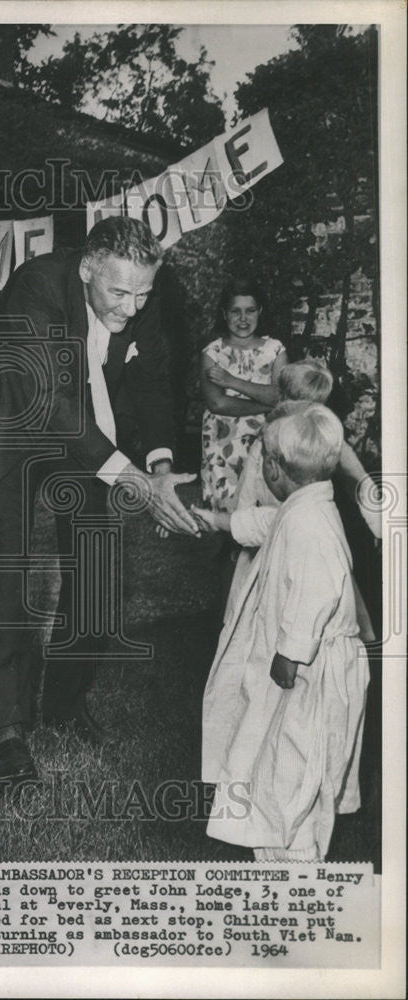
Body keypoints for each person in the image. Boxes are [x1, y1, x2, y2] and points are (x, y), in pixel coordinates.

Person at [0, 216, 200, 789]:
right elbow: (45, 398)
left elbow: (154, 381)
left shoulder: (139, 294)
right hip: (11, 418)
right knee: (12, 575)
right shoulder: (36, 285)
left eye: (143, 293)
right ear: (87, 269)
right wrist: (129, 476)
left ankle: (63, 702)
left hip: (83, 429)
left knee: (98, 568)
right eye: (118, 291)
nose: (132, 307)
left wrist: (159, 467)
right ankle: (8, 730)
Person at [197, 403, 369, 861]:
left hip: (310, 676)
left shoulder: (309, 524)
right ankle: (275, 859)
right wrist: (214, 520)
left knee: (298, 774)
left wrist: (289, 652)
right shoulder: (304, 506)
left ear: (274, 468)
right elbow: (264, 525)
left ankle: (297, 872)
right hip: (298, 675)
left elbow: (319, 590)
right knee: (273, 766)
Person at [226, 361, 381, 636]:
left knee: (307, 614)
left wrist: (383, 526)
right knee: (265, 619)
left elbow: (359, 482)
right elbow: (361, 484)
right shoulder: (270, 438)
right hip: (269, 537)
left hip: (297, 537)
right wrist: (238, 529)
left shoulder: (325, 439)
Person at [200, 276, 287, 513]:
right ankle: (229, 550)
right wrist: (266, 402)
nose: (243, 319)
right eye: (235, 311)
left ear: (260, 311)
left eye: (250, 311)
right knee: (227, 509)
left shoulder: (275, 350)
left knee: (265, 510)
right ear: (224, 313)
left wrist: (231, 381)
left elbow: (281, 395)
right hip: (223, 442)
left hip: (265, 438)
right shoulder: (213, 353)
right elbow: (217, 403)